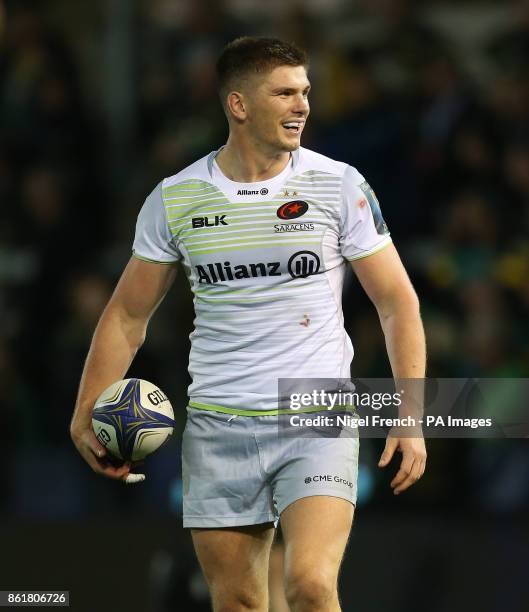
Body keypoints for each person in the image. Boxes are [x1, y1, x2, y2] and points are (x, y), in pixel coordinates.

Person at [70, 37, 426, 612]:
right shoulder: (176, 198)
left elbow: (397, 304)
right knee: (238, 602)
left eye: (305, 91)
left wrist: (410, 417)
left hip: (317, 414)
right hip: (219, 425)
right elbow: (127, 316)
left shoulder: (339, 185)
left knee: (310, 584)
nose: (302, 105)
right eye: (284, 93)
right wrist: (85, 409)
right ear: (238, 104)